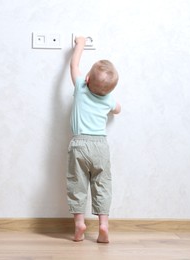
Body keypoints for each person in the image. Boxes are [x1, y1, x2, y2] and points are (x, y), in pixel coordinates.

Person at [67, 36, 121, 243]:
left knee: (77, 184)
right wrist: (112, 105)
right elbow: (118, 110)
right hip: (100, 146)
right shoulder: (108, 99)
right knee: (102, 184)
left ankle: (79, 224)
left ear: (87, 79)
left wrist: (80, 43)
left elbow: (74, 64)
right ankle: (103, 225)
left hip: (79, 145)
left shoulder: (80, 87)